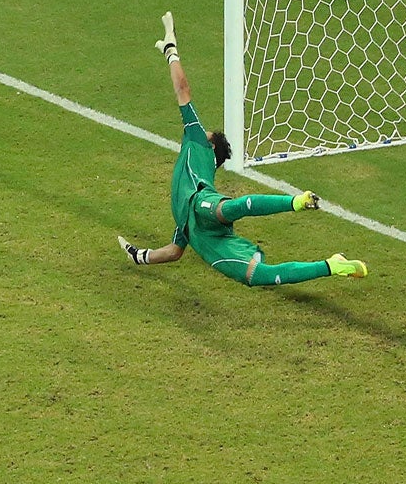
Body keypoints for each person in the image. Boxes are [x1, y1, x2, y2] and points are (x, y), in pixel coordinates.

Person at [121, 15, 368, 287]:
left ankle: (296, 201)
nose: (199, 131)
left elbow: (182, 89)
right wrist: (140, 256)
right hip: (203, 231)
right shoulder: (193, 193)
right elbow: (174, 251)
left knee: (232, 208)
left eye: (206, 134)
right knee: (258, 276)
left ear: (211, 146)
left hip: (202, 205)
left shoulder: (198, 145)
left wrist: (171, 52)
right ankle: (332, 265)